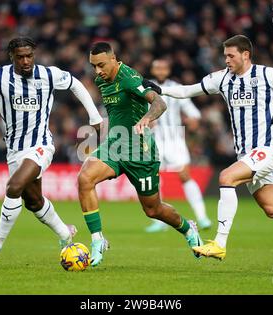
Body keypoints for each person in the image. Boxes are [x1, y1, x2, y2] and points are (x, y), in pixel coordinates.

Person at [143, 35, 273, 260]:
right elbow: (188, 91)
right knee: (272, 209)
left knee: (226, 177)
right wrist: (161, 90)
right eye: (225, 55)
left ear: (246, 55)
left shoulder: (267, 74)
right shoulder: (222, 79)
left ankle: (219, 243)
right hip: (246, 154)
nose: (226, 60)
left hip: (267, 149)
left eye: (230, 55)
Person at [0, 37, 103, 263]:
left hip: (41, 145)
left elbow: (76, 84)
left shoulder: (49, 75)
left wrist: (94, 116)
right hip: (14, 150)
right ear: (11, 57)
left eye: (29, 56)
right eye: (20, 57)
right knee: (34, 202)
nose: (26, 61)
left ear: (34, 55)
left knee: (13, 187)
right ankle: (65, 233)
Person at [77, 42, 203, 267]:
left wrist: (147, 118)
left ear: (114, 59)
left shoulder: (129, 78)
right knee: (85, 178)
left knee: (153, 209)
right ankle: (98, 240)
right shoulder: (101, 81)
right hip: (115, 146)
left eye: (101, 65)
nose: (97, 71)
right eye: (93, 66)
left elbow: (159, 102)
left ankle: (187, 227)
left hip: (140, 152)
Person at [144, 59, 212, 233]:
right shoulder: (144, 88)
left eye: (163, 67)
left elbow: (192, 111)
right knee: (153, 176)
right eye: (157, 67)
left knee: (184, 175)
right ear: (153, 69)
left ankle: (202, 217)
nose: (160, 70)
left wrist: (193, 120)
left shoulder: (175, 87)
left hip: (174, 140)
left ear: (168, 70)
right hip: (154, 140)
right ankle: (160, 220)